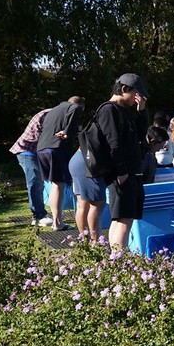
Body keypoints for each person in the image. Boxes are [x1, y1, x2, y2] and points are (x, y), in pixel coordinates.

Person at [69, 74, 149, 247]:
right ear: (123, 89)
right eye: (136, 93)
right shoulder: (108, 110)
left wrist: (141, 110)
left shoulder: (124, 111)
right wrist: (121, 172)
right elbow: (113, 143)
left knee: (122, 218)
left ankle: (115, 258)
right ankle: (118, 258)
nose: (139, 98)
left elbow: (140, 136)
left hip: (128, 170)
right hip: (123, 172)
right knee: (123, 218)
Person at [37, 96, 85, 232]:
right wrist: (67, 132)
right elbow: (76, 109)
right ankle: (57, 223)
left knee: (54, 184)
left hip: (41, 149)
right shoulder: (74, 107)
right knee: (58, 185)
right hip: (55, 149)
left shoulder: (53, 111)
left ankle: (56, 220)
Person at [9, 107, 53, 226]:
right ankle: (38, 216)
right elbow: (40, 138)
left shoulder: (56, 115)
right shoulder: (47, 115)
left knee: (40, 182)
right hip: (26, 150)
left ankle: (41, 213)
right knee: (34, 181)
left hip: (38, 152)